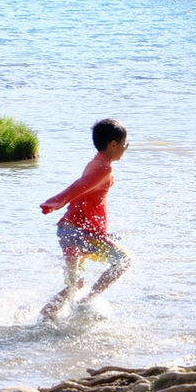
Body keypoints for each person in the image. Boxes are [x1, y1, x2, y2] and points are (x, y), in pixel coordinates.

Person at [39, 118, 131, 320]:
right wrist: (55, 202)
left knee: (75, 284)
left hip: (67, 231)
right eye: (125, 144)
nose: (126, 148)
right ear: (113, 144)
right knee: (123, 262)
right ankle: (87, 300)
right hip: (80, 232)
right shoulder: (103, 168)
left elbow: (86, 195)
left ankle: (45, 316)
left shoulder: (95, 162)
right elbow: (78, 187)